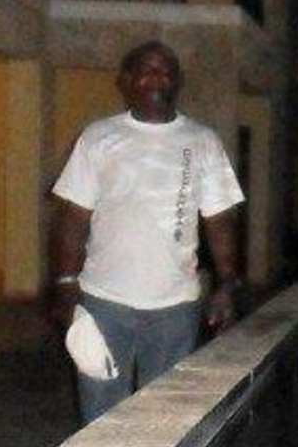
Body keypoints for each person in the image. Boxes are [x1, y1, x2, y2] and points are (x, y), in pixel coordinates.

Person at [47, 41, 244, 423]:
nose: (158, 78)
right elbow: (72, 218)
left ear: (178, 81)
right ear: (126, 81)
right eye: (147, 70)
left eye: (166, 71)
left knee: (163, 420)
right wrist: (65, 284)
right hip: (103, 304)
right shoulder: (98, 138)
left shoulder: (203, 141)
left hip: (176, 308)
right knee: (102, 420)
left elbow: (219, 220)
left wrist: (227, 284)